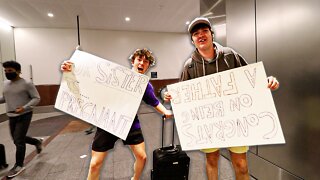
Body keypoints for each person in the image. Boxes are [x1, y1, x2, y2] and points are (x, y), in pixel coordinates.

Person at [164, 17, 280, 180]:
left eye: (204, 31)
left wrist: (267, 81)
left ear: (212, 34)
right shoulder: (190, 65)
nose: (201, 35)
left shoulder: (230, 55)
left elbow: (250, 79)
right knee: (212, 161)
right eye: (196, 34)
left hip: (236, 120)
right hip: (208, 124)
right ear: (193, 40)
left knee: (241, 164)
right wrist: (168, 95)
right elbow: (182, 92)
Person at [61, 48, 173, 180]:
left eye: (146, 61)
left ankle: (135, 179)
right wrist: (70, 71)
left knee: (142, 157)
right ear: (133, 61)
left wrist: (166, 112)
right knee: (95, 164)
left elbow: (154, 102)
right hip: (108, 121)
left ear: (148, 65)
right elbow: (89, 80)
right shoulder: (115, 75)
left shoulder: (144, 85)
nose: (142, 63)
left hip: (130, 122)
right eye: (139, 59)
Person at [0, 60, 43, 178]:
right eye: (5, 71)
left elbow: (36, 98)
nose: (7, 73)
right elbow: (5, 98)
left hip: (24, 115)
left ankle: (19, 165)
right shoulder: (5, 83)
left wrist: (24, 108)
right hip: (11, 115)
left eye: (10, 70)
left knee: (18, 141)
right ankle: (36, 142)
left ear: (18, 71)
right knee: (16, 139)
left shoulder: (27, 84)